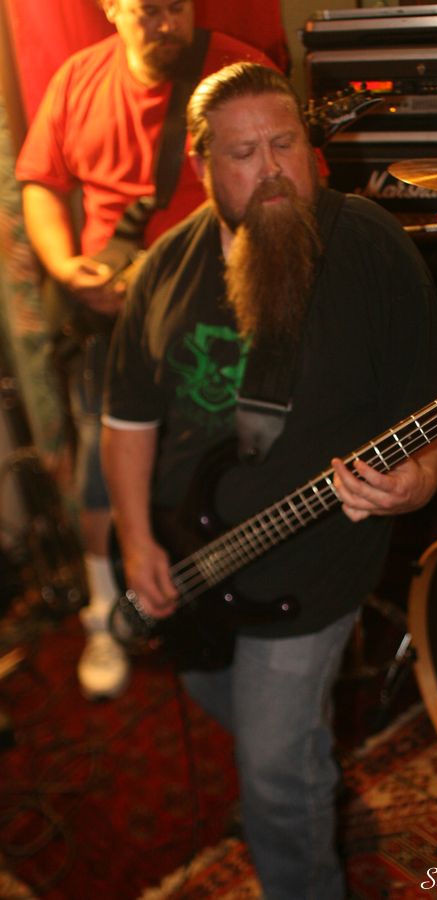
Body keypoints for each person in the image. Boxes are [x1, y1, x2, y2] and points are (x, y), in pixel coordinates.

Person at [101, 62, 437, 900]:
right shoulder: (164, 268)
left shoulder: (366, 244)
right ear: (202, 167)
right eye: (242, 153)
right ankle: (303, 771)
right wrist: (138, 538)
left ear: (310, 145)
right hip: (187, 558)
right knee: (231, 706)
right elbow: (127, 421)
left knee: (269, 775)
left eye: (284, 143)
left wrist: (417, 481)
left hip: (310, 571)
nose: (270, 169)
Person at [15, 0, 275, 700]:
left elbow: (285, 189)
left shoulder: (236, 68)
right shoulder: (77, 80)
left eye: (176, 6)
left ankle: (235, 595)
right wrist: (68, 269)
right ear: (110, 8)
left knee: (231, 456)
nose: (166, 22)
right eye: (148, 9)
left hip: (218, 310)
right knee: (101, 469)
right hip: (114, 316)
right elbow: (40, 184)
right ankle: (105, 614)